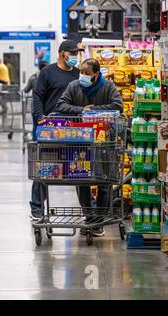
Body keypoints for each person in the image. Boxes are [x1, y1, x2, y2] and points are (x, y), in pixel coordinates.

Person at [56, 58, 123, 237]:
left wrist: (95, 111)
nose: (83, 76)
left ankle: (98, 220)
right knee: (81, 180)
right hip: (80, 143)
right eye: (82, 72)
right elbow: (61, 105)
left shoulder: (108, 86)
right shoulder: (73, 86)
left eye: (87, 73)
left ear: (96, 74)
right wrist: (81, 110)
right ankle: (89, 216)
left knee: (105, 181)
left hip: (104, 143)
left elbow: (118, 106)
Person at [30, 40, 83, 220]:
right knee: (44, 169)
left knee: (81, 170)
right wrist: (40, 120)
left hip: (73, 130)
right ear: (63, 54)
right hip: (50, 129)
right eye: (73, 53)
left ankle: (89, 212)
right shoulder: (48, 72)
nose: (76, 57)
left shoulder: (78, 74)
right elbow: (37, 97)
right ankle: (37, 208)